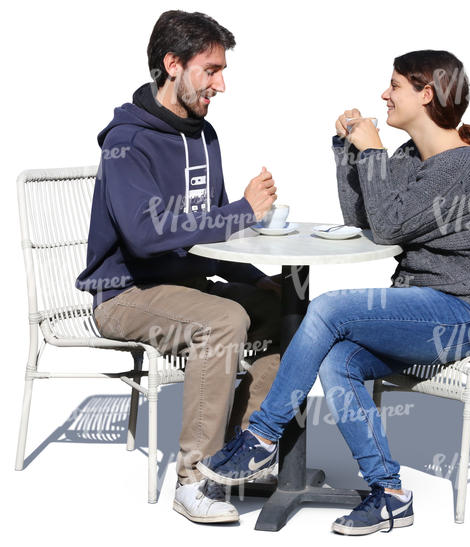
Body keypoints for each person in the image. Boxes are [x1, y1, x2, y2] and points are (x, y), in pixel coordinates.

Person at [197, 49, 470, 535]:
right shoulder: (414, 156)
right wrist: (349, 148)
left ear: (426, 94)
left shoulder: (462, 167)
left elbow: (387, 229)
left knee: (327, 307)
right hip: (420, 313)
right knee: (337, 360)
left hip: (464, 313)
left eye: (394, 86)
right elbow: (364, 220)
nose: (383, 95)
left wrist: (372, 152)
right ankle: (390, 493)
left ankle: (261, 438)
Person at [75, 10, 283, 524]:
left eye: (221, 70)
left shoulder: (204, 136)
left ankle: (242, 456)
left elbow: (209, 235)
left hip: (183, 285)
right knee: (223, 320)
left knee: (285, 307)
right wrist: (242, 212)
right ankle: (192, 478)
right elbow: (146, 237)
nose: (221, 83)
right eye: (210, 70)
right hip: (124, 293)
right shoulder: (128, 141)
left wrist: (260, 281)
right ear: (173, 64)